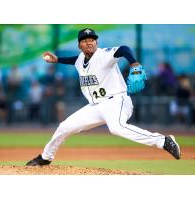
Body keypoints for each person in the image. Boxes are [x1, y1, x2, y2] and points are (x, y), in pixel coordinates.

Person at [26, 28, 181, 166]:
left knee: (116, 127)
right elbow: (75, 60)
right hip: (95, 106)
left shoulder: (104, 55)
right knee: (64, 127)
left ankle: (164, 141)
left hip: (116, 101)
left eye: (92, 40)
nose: (89, 43)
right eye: (85, 41)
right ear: (80, 45)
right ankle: (46, 157)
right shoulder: (81, 59)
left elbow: (123, 49)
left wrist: (133, 63)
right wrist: (58, 59)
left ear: (96, 42)